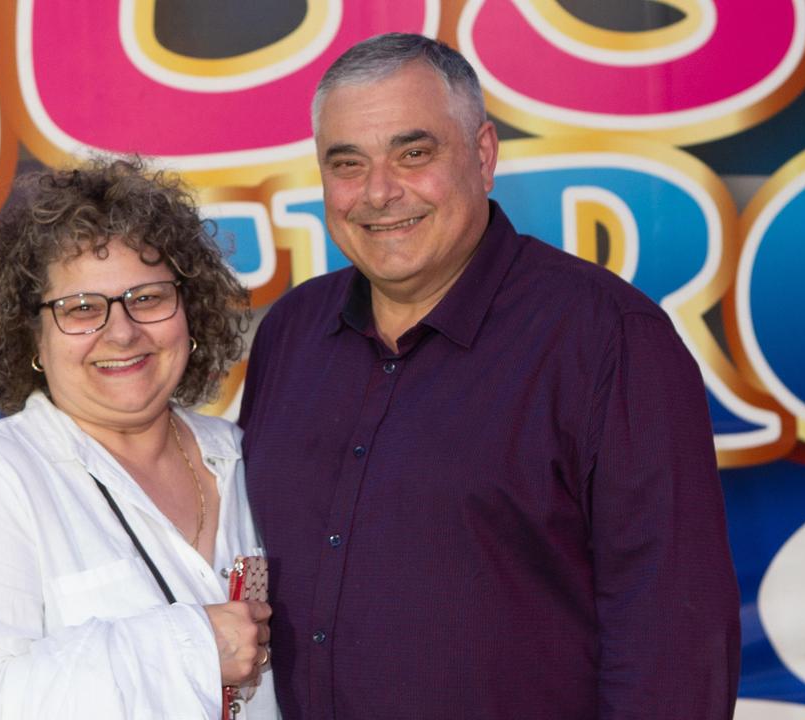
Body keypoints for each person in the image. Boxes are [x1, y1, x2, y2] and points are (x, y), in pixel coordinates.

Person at [238, 33, 740, 718]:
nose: (379, 192)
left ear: (482, 155)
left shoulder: (608, 340)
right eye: (347, 163)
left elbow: (675, 648)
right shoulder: (292, 334)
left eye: (414, 154)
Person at [0, 157, 278, 719]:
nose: (122, 332)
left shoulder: (247, 454)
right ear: (32, 336)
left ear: (190, 313)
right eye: (81, 309)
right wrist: (193, 647)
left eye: (147, 298)